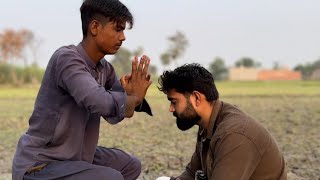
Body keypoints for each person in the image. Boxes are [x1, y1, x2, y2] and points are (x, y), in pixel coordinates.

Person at [12, 0, 152, 179]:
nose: (123, 37)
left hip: (76, 157)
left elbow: (116, 113)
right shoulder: (67, 59)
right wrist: (134, 99)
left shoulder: (105, 69)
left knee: (130, 165)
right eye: (118, 29)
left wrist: (131, 96)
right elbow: (98, 101)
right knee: (110, 177)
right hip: (42, 163)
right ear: (95, 27)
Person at [158, 63, 287, 180]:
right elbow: (192, 173)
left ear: (196, 98)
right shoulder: (207, 125)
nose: (171, 109)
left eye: (174, 102)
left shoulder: (234, 134)